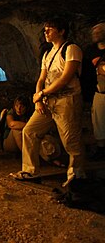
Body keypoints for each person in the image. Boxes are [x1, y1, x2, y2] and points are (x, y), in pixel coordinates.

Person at [11, 17, 85, 185]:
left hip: (67, 100)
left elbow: (65, 78)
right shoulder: (48, 53)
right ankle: (30, 171)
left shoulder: (71, 49)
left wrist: (42, 93)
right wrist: (38, 99)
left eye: (50, 29)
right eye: (45, 29)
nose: (46, 32)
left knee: (70, 139)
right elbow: (41, 78)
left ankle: (76, 175)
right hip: (48, 102)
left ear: (61, 31)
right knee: (29, 131)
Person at [87, 23, 105, 160]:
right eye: (94, 32)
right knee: (98, 122)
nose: (95, 34)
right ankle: (101, 149)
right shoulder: (91, 51)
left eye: (99, 32)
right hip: (99, 91)